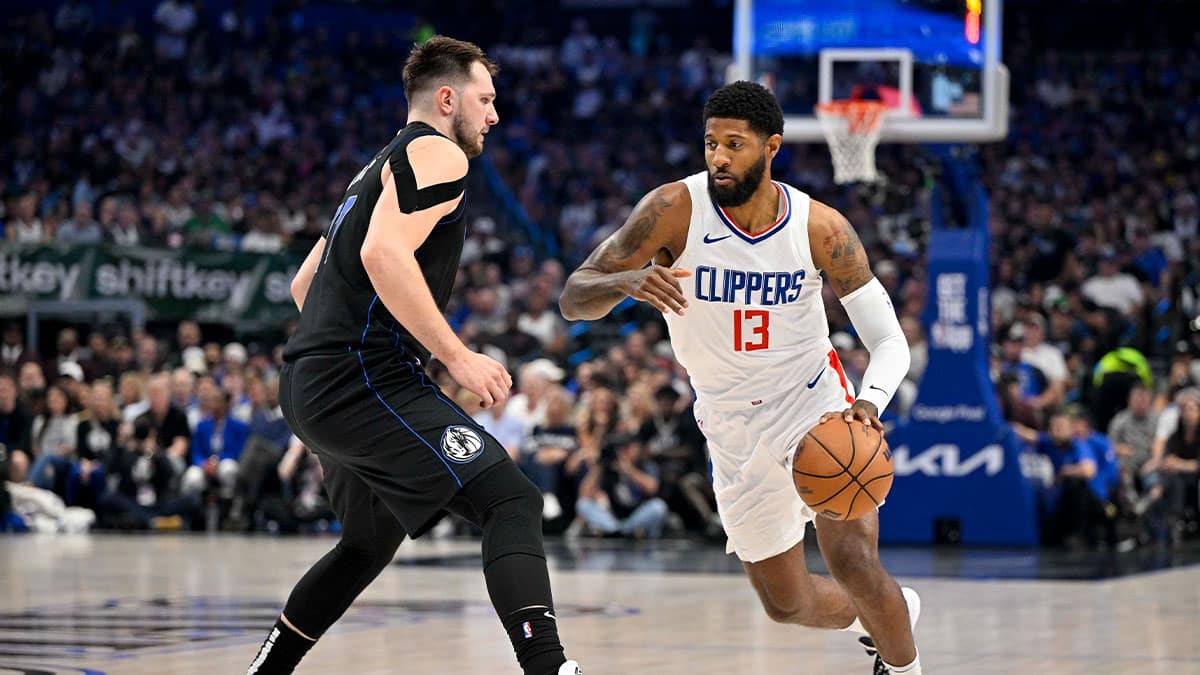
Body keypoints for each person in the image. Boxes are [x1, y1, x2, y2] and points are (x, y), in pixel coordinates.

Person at [560, 81, 921, 675]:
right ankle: (888, 613)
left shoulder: (821, 227)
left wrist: (870, 402)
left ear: (771, 146)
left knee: (854, 563)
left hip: (813, 403)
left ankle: (904, 665)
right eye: (710, 144)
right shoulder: (672, 209)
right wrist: (620, 284)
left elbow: (887, 340)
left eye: (735, 144)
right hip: (728, 420)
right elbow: (574, 297)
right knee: (787, 604)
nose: (719, 157)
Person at [247, 37, 579, 675]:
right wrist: (456, 357)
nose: (493, 115)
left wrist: (334, 346)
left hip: (308, 382)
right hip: (361, 379)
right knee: (511, 501)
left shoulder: (371, 170)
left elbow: (301, 288)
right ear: (447, 98)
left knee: (368, 542)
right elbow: (383, 254)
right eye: (485, 99)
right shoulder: (437, 152)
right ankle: (551, 669)